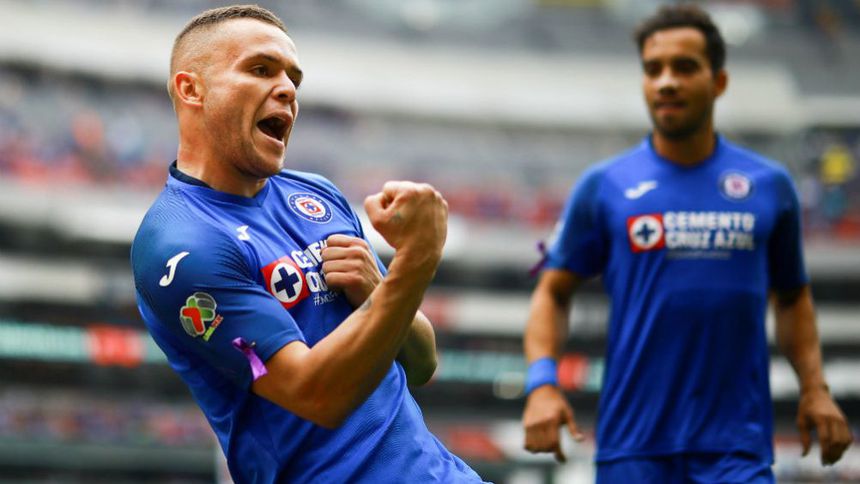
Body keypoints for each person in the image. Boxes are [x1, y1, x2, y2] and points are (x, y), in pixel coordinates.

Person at [130, 5, 484, 483]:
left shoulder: (316, 195)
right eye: (260, 69)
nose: (287, 90)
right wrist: (416, 262)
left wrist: (379, 288)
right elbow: (316, 396)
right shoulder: (180, 244)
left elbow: (422, 363)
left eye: (293, 78)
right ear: (192, 89)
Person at [521, 4, 853, 483]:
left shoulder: (769, 186)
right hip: (632, 450)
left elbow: (792, 297)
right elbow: (552, 292)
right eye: (653, 69)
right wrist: (541, 385)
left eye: (684, 67)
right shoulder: (605, 185)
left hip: (736, 452)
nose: (666, 82)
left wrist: (815, 388)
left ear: (719, 81)